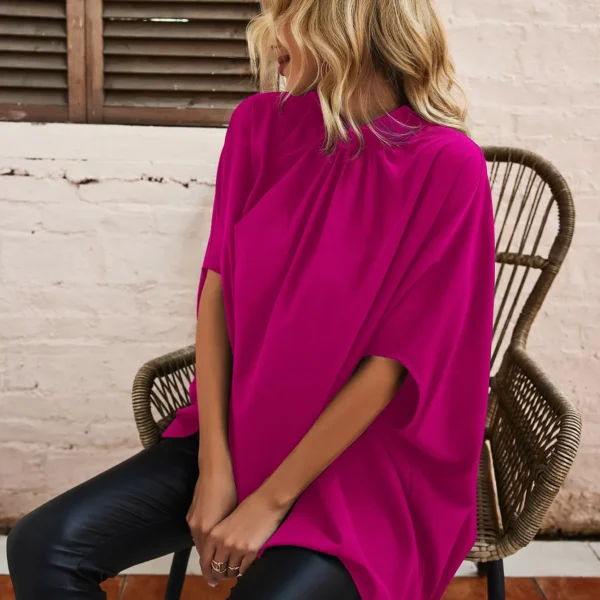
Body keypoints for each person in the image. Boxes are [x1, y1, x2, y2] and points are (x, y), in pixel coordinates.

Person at [7, 1, 496, 599]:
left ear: (342, 23)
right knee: (44, 546)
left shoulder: (447, 166)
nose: (266, 35)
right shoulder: (259, 126)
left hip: (361, 467)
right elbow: (216, 292)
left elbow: (393, 364)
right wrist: (215, 466)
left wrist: (269, 502)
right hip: (239, 431)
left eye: (285, 12)